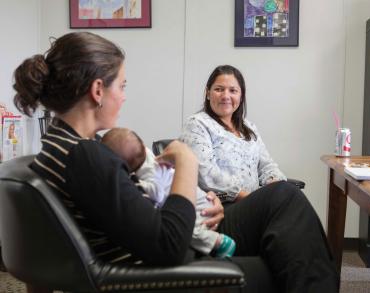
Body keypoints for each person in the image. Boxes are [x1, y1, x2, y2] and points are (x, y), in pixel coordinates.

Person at [13, 32, 201, 267]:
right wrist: (187, 160)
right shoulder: (85, 157)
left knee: (263, 204)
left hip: (174, 236)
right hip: (166, 273)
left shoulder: (61, 143)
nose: (123, 97)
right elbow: (169, 246)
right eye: (121, 87)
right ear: (98, 90)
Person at [180, 64, 339, 292]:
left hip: (255, 208)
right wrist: (251, 197)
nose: (226, 96)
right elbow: (205, 173)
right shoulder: (197, 124)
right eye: (219, 89)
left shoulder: (248, 128)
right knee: (285, 197)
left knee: (287, 201)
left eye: (233, 90)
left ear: (241, 95)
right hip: (220, 212)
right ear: (207, 92)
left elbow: (267, 164)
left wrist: (275, 181)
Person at [101, 127, 236, 257]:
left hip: (199, 206)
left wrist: (138, 185)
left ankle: (220, 243)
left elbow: (157, 194)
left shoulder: (149, 174)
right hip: (203, 197)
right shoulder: (145, 153)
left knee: (186, 232)